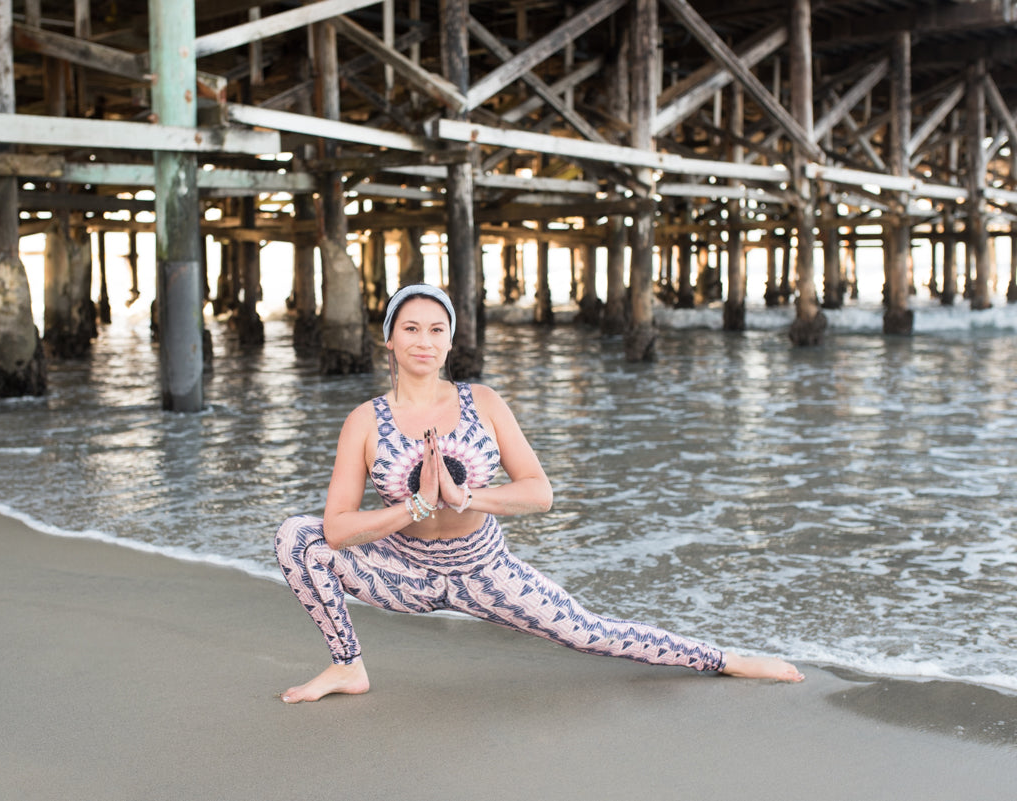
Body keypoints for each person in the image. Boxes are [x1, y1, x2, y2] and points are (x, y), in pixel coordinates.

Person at [274, 283, 804, 703]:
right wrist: (415, 506)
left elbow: (539, 493)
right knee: (297, 537)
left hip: (484, 569)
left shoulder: (483, 402)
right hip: (403, 573)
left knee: (590, 632)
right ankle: (347, 666)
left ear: (451, 341)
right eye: (410, 328)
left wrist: (465, 498)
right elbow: (337, 529)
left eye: (437, 329)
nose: (424, 341)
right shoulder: (364, 421)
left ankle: (724, 659)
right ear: (389, 338)